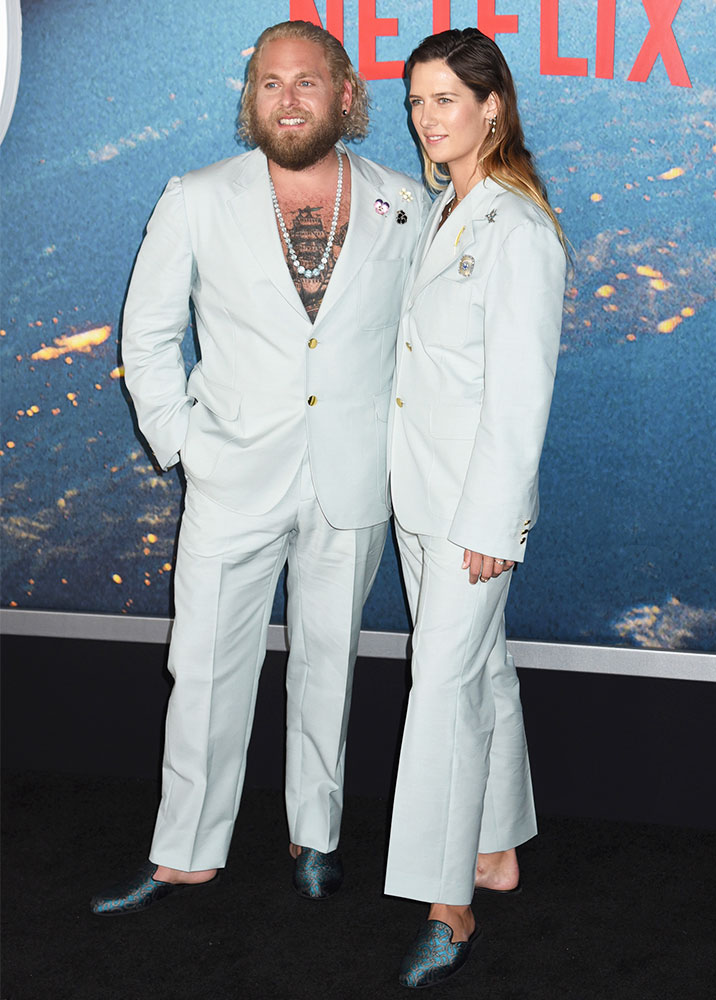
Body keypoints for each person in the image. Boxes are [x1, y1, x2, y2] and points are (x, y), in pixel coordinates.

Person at [91, 20, 427, 916]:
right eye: (270, 83)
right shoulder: (196, 197)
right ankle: (186, 854)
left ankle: (314, 836)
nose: (288, 97)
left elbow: (430, 345)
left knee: (330, 661)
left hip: (353, 476)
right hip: (231, 475)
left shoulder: (406, 203)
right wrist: (184, 445)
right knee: (201, 669)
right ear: (252, 99)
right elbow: (148, 335)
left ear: (345, 94)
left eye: (307, 81)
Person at [384, 28, 567, 987]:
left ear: (492, 106)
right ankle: (495, 852)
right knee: (482, 673)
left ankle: (446, 904)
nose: (427, 116)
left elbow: (520, 394)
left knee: (443, 691)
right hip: (419, 493)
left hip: (471, 511)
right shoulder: (436, 209)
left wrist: (495, 523)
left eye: (446, 99)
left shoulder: (519, 229)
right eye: (417, 100)